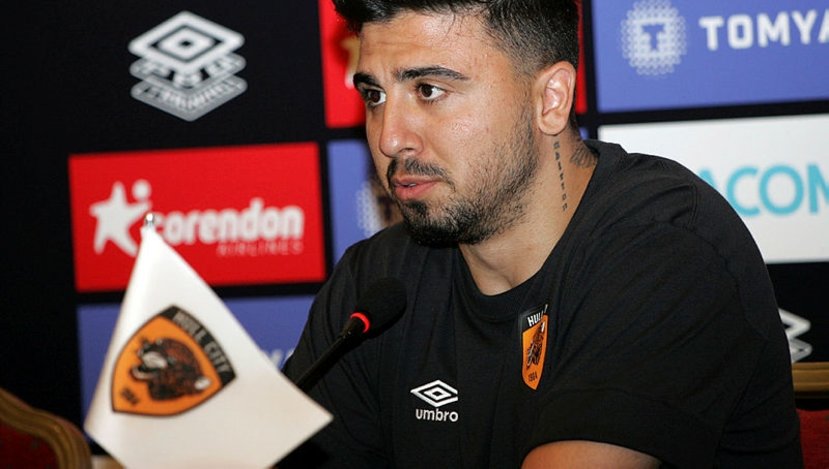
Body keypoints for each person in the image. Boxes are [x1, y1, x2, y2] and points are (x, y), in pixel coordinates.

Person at [281, 0, 802, 467]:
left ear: (551, 99)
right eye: (374, 95)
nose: (390, 137)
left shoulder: (665, 249)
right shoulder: (377, 282)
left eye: (429, 90)